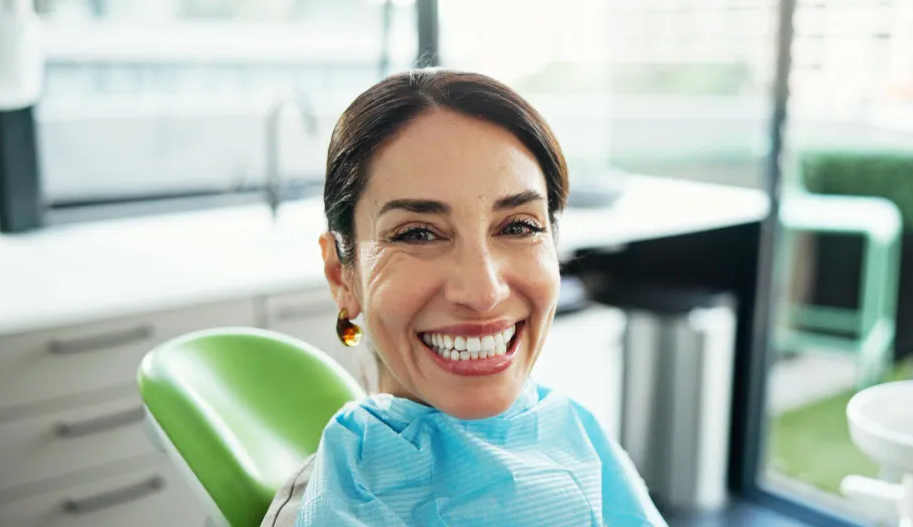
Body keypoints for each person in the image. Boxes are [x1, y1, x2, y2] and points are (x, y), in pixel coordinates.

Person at [260, 69, 666, 527]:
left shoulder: (575, 433)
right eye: (416, 233)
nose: (483, 291)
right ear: (341, 274)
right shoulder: (332, 505)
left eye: (519, 226)